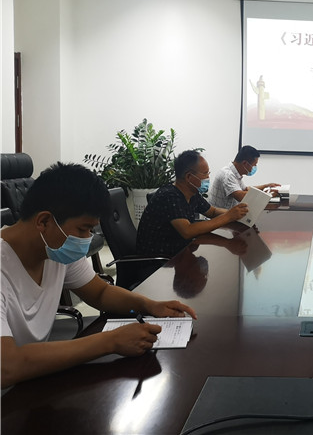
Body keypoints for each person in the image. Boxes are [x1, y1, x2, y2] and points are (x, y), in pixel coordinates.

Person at [0, 163, 197, 389]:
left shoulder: (53, 248)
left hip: (29, 382)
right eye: (83, 229)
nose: (87, 238)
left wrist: (150, 306)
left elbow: (100, 292)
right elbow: (6, 366)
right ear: (43, 221)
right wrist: (110, 341)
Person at [136, 150, 249, 258]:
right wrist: (228, 217)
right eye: (205, 174)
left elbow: (212, 211)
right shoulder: (170, 196)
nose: (208, 178)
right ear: (189, 177)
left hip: (180, 252)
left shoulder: (192, 192)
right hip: (159, 260)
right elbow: (187, 231)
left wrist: (238, 213)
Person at [209, 145, 280, 209]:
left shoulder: (235, 173)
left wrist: (266, 186)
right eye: (254, 165)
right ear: (245, 163)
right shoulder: (228, 175)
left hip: (228, 214)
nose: (254, 168)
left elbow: (246, 190)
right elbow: (242, 197)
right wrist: (268, 195)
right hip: (220, 217)